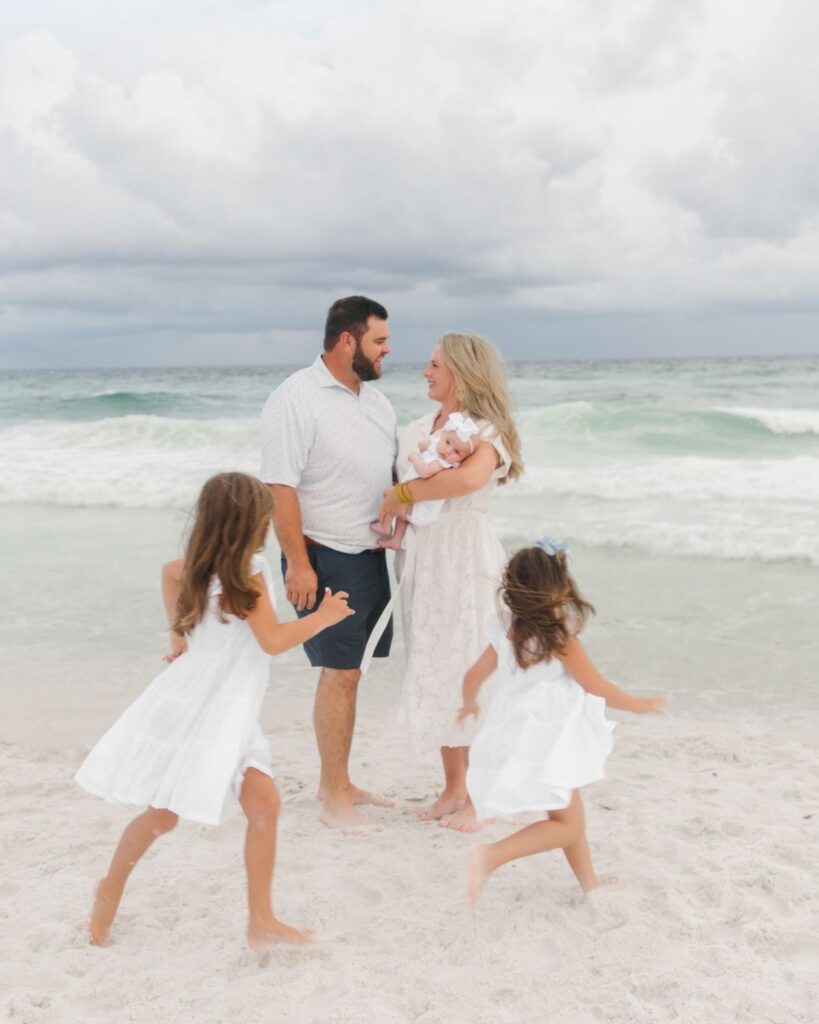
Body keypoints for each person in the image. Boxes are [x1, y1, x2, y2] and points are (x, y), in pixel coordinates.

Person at [75, 473, 353, 947]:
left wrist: (177, 634)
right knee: (163, 816)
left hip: (221, 703)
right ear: (252, 522)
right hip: (205, 708)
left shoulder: (198, 565)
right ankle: (108, 889)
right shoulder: (249, 574)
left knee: (264, 804)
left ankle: (261, 921)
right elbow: (271, 642)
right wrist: (322, 619)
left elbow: (168, 571)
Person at [457, 540, 667, 906]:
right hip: (550, 734)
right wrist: (637, 704)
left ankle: (592, 886)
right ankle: (490, 856)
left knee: (570, 814)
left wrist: (469, 702)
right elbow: (596, 685)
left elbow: (474, 675)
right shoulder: (560, 637)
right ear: (557, 586)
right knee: (567, 824)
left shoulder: (504, 628)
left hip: (517, 729)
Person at [376, 333, 523, 831]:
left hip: (465, 552)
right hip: (424, 555)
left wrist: (402, 491)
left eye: (435, 364)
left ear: (460, 371)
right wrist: (401, 500)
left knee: (471, 662)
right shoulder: (417, 427)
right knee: (436, 663)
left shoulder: (487, 428)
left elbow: (465, 481)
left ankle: (481, 794)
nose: (426, 371)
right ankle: (453, 788)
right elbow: (413, 494)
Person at [261, 296, 396, 830]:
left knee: (353, 673)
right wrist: (298, 563)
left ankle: (336, 781)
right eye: (379, 340)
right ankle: (333, 794)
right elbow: (279, 485)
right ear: (348, 341)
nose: (388, 350)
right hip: (322, 555)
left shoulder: (377, 403)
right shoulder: (295, 398)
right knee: (338, 673)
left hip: (368, 557)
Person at [371, 412, 480, 550]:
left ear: (462, 459)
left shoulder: (442, 463)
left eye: (456, 452)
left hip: (422, 506)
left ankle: (385, 525)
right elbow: (426, 446)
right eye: (447, 442)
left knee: (390, 495)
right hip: (414, 496)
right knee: (402, 516)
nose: (448, 450)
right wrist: (425, 446)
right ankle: (396, 540)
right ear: (443, 436)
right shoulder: (438, 450)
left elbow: (425, 472)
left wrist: (415, 457)